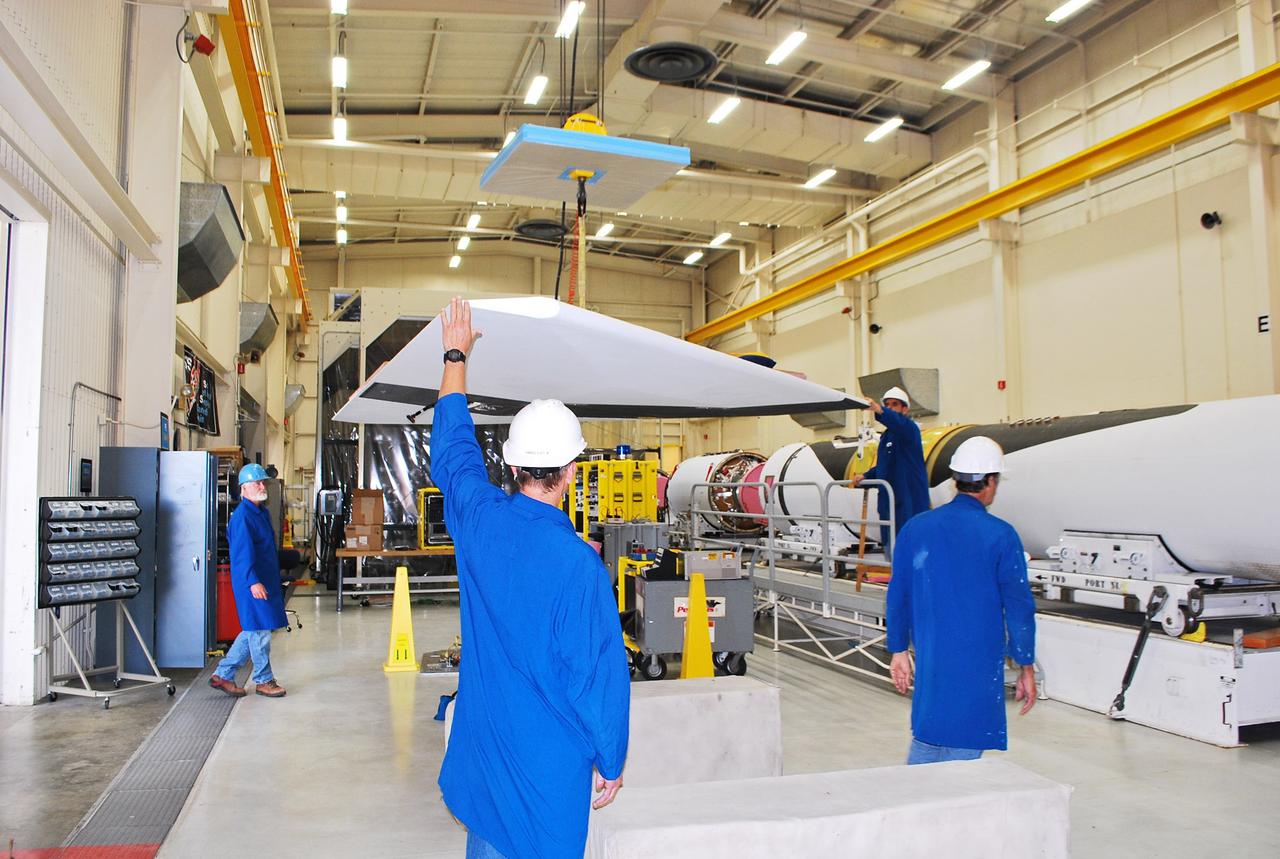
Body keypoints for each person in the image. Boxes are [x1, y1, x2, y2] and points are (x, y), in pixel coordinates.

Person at [431, 297, 630, 859]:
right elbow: (596, 679)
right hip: (547, 772)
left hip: (487, 756)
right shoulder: (579, 567)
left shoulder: (479, 521)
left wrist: (455, 356)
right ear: (571, 472)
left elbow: (453, 451)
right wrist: (611, 758)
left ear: (513, 466)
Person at [884, 436, 1037, 765]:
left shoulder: (916, 528)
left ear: (956, 479)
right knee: (965, 746)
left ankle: (916, 794)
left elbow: (898, 593)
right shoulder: (1001, 534)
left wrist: (898, 650)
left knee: (928, 734)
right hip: (977, 660)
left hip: (932, 655)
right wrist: (1025, 664)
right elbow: (1019, 607)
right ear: (990, 482)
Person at [209, 463, 288, 699]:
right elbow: (242, 556)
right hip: (252, 582)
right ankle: (264, 680)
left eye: (263, 482)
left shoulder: (261, 512)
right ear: (243, 488)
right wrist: (253, 581)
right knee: (260, 631)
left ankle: (223, 674)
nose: (262, 486)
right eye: (256, 483)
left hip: (265, 580)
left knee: (253, 629)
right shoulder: (243, 518)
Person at [851, 386, 930, 554]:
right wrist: (865, 477)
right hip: (889, 504)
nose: (890, 407)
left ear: (905, 409)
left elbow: (899, 423)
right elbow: (884, 466)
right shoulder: (887, 436)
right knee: (892, 553)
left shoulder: (910, 430)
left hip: (908, 505)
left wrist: (879, 409)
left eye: (895, 404)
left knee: (908, 552)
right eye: (887, 404)